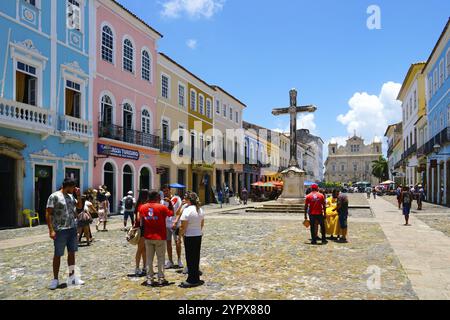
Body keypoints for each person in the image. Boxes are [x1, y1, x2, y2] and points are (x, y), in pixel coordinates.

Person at [46, 178, 84, 290]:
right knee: (58, 254)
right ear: (68, 186)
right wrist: (51, 230)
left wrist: (78, 195)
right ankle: (55, 279)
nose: (74, 189)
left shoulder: (71, 196)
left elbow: (79, 207)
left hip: (72, 229)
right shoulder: (54, 196)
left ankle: (72, 277)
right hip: (60, 230)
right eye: (73, 187)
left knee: (72, 254)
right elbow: (48, 213)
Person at [137, 191, 174, 286]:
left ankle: (149, 279)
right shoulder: (162, 207)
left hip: (148, 236)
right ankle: (161, 278)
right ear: (157, 197)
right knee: (161, 258)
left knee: (149, 258)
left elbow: (139, 219)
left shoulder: (143, 207)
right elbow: (171, 214)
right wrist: (170, 203)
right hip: (160, 236)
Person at [179, 192, 205, 288]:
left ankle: (192, 279)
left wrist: (179, 236)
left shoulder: (187, 210)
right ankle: (195, 276)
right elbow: (202, 224)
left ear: (189, 200)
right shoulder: (200, 210)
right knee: (196, 257)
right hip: (198, 235)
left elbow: (183, 227)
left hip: (189, 236)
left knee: (190, 258)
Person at [161, 185, 183, 269]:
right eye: (164, 191)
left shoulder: (177, 199)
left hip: (176, 224)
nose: (165, 193)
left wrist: (176, 221)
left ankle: (179, 259)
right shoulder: (162, 201)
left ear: (170, 190)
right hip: (166, 225)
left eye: (167, 191)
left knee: (178, 242)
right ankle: (170, 260)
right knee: (168, 243)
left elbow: (179, 211)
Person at [133, 189, 149, 277]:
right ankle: (137, 268)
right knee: (140, 249)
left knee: (144, 249)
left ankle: (144, 267)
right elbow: (139, 218)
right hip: (142, 229)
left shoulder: (139, 204)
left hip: (142, 229)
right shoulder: (141, 206)